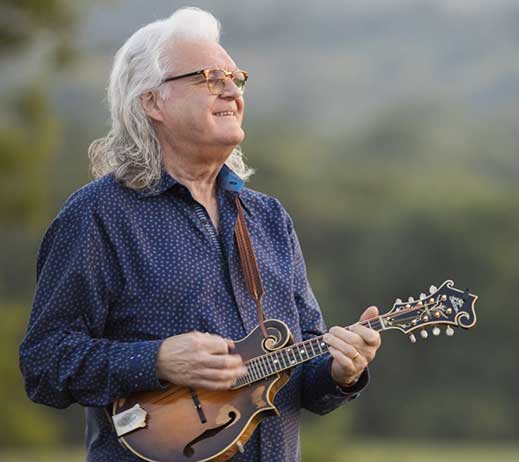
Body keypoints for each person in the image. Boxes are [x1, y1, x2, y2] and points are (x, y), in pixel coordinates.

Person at [19, 7, 381, 462]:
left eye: (236, 77)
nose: (232, 90)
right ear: (152, 101)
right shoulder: (99, 214)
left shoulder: (268, 218)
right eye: (210, 77)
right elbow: (44, 364)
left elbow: (302, 370)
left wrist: (340, 371)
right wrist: (156, 360)